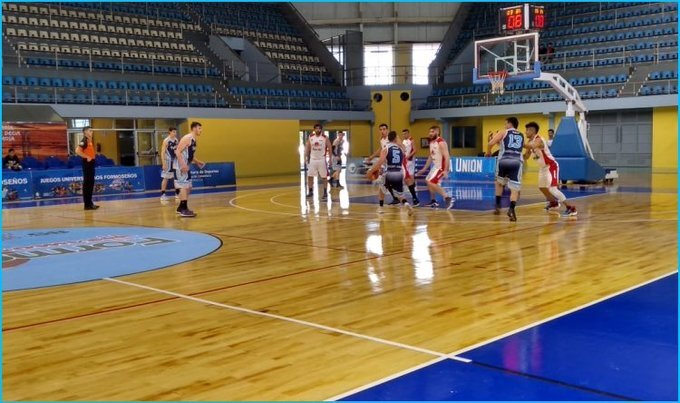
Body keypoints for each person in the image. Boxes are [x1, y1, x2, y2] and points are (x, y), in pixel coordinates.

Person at [523, 122, 577, 217]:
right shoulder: (529, 142)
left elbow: (533, 146)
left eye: (527, 130)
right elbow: (526, 156)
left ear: (532, 131)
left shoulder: (539, 139)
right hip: (542, 168)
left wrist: (519, 143)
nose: (525, 132)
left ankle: (571, 208)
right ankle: (554, 203)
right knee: (542, 187)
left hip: (551, 166)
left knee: (552, 189)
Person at [366, 131, 413, 215]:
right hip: (399, 173)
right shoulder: (400, 149)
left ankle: (381, 207)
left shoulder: (386, 148)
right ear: (395, 139)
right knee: (399, 194)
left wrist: (371, 170)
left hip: (389, 172)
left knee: (382, 189)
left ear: (388, 138)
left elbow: (381, 161)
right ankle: (406, 203)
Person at [486, 117, 523, 221]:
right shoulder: (521, 135)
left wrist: (488, 152)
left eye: (505, 123)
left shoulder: (504, 132)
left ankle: (497, 205)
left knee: (499, 183)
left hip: (504, 160)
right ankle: (511, 209)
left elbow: (490, 143)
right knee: (514, 188)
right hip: (517, 162)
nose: (504, 125)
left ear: (510, 124)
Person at [415, 125, 454, 209]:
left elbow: (447, 156)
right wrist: (424, 169)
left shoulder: (441, 142)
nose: (430, 133)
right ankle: (433, 201)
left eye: (432, 132)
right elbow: (430, 156)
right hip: (436, 166)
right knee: (427, 180)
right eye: (430, 132)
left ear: (437, 132)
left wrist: (446, 170)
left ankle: (447, 197)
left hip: (441, 167)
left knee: (431, 182)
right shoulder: (431, 142)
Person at [174, 121, 206, 217]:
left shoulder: (193, 140)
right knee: (184, 186)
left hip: (185, 164)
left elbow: (190, 155)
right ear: (194, 128)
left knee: (189, 187)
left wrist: (198, 162)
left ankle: (181, 207)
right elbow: (177, 151)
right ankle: (184, 210)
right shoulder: (187, 138)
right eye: (199, 128)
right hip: (180, 166)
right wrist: (183, 165)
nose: (201, 130)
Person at [366, 123, 399, 204]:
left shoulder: (392, 138)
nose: (382, 131)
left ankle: (400, 198)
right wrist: (372, 156)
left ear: (387, 130)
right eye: (380, 130)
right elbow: (380, 149)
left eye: (384, 129)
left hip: (394, 163)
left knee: (388, 182)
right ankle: (394, 199)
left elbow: (400, 147)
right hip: (386, 163)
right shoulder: (382, 139)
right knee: (384, 182)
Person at [305, 123, 332, 200]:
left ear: (321, 129)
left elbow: (330, 148)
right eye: (316, 128)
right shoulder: (311, 137)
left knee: (324, 176)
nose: (318, 130)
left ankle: (325, 192)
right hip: (313, 159)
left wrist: (330, 158)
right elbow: (308, 147)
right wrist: (306, 157)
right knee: (310, 176)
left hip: (321, 159)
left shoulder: (325, 137)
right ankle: (310, 191)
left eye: (319, 128)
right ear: (314, 129)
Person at [75, 126, 99, 210]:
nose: (92, 132)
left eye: (92, 130)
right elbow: (77, 151)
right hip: (87, 164)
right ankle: (87, 205)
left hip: (91, 164)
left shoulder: (89, 140)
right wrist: (87, 156)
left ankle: (90, 203)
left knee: (91, 183)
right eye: (90, 130)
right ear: (85, 132)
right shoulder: (84, 140)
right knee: (88, 183)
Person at [159, 128, 180, 202]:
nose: (175, 133)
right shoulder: (166, 140)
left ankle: (177, 194)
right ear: (169, 132)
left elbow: (177, 150)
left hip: (175, 161)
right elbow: (162, 152)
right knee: (165, 178)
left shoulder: (176, 140)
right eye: (173, 132)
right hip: (168, 161)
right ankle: (163, 195)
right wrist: (163, 163)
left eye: (175, 132)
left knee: (176, 178)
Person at [401, 129, 419, 206]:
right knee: (407, 177)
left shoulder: (411, 140)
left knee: (410, 176)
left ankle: (414, 192)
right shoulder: (403, 141)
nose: (404, 135)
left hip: (410, 160)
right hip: (405, 161)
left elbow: (415, 150)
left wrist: (409, 155)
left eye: (405, 133)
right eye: (403, 134)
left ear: (408, 133)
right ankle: (412, 191)